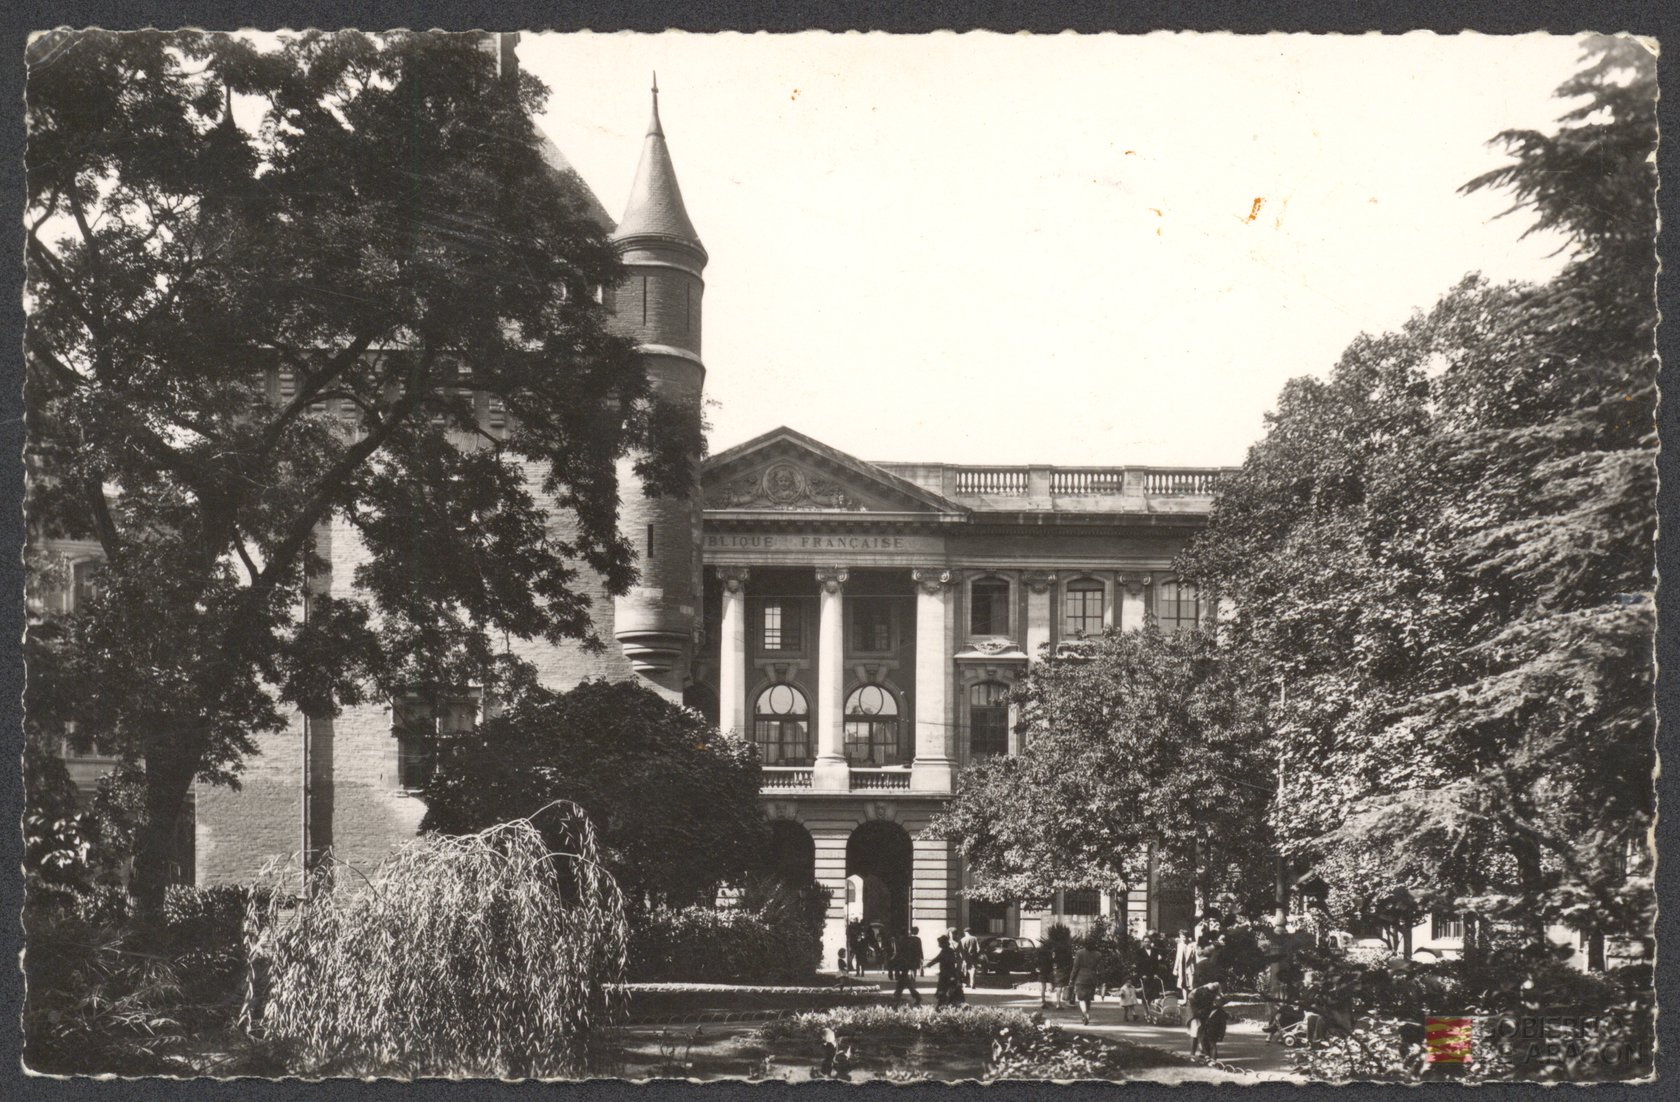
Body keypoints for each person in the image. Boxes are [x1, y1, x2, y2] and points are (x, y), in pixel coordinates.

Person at [1068, 934, 1104, 1025]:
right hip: (1092, 978)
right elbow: (1100, 969)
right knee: (1088, 998)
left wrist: (1071, 979)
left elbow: (1075, 967)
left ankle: (1085, 1013)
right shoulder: (1098, 954)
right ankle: (1087, 1012)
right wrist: (1100, 980)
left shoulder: (1079, 953)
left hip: (1081, 978)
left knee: (1081, 998)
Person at [1186, 980, 1225, 1059]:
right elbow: (1197, 1005)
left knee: (1203, 1032)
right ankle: (1193, 1053)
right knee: (1195, 1031)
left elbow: (1217, 1000)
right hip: (1195, 1011)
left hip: (1202, 1011)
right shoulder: (1204, 993)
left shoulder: (1210, 990)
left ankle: (1204, 1051)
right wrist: (1198, 1013)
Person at [890, 929, 923, 1007]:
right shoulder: (910, 941)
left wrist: (892, 964)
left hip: (903, 964)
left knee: (902, 982)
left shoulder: (902, 942)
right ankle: (915, 996)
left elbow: (898, 954)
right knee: (905, 982)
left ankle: (897, 998)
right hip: (907, 964)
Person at [933, 933, 966, 1008]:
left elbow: (941, 960)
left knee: (947, 990)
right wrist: (928, 964)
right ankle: (943, 1005)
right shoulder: (945, 950)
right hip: (946, 974)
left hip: (948, 975)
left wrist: (952, 975)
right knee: (947, 990)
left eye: (940, 943)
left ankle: (942, 1005)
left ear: (943, 943)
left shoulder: (948, 951)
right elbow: (937, 959)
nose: (939, 944)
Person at [1172, 927, 1197, 999]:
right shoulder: (1179, 945)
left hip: (1190, 967)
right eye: (1182, 937)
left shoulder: (1193, 945)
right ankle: (1185, 999)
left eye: (1185, 937)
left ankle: (1191, 1000)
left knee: (1191, 984)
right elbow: (1178, 958)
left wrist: (1196, 968)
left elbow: (1195, 958)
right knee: (1183, 984)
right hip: (1182, 967)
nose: (1183, 938)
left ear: (1187, 937)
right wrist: (1175, 969)